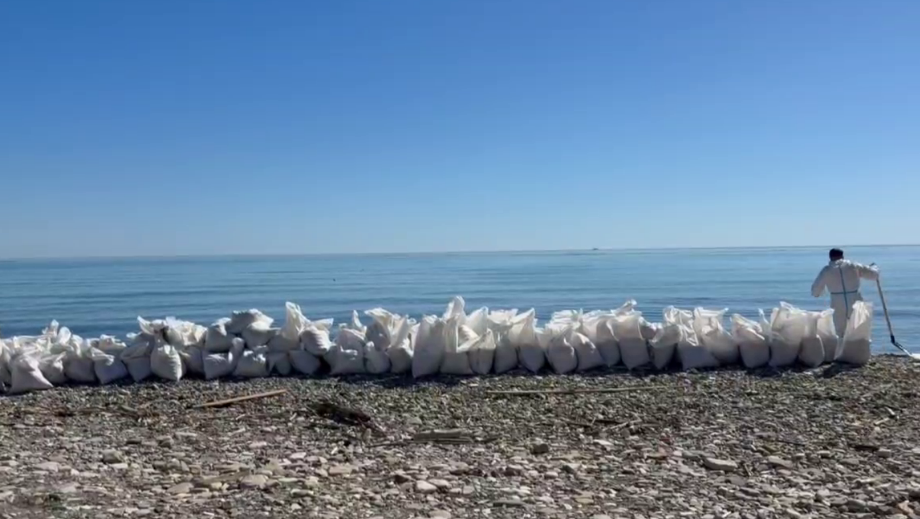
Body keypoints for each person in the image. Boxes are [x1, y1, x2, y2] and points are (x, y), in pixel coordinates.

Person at [811, 248, 879, 336]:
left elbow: (816, 290)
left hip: (838, 302)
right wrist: (874, 268)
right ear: (842, 256)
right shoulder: (853, 266)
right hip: (855, 300)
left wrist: (817, 294)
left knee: (840, 330)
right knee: (858, 325)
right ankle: (860, 347)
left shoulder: (826, 270)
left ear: (830, 257)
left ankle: (843, 347)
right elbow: (873, 274)